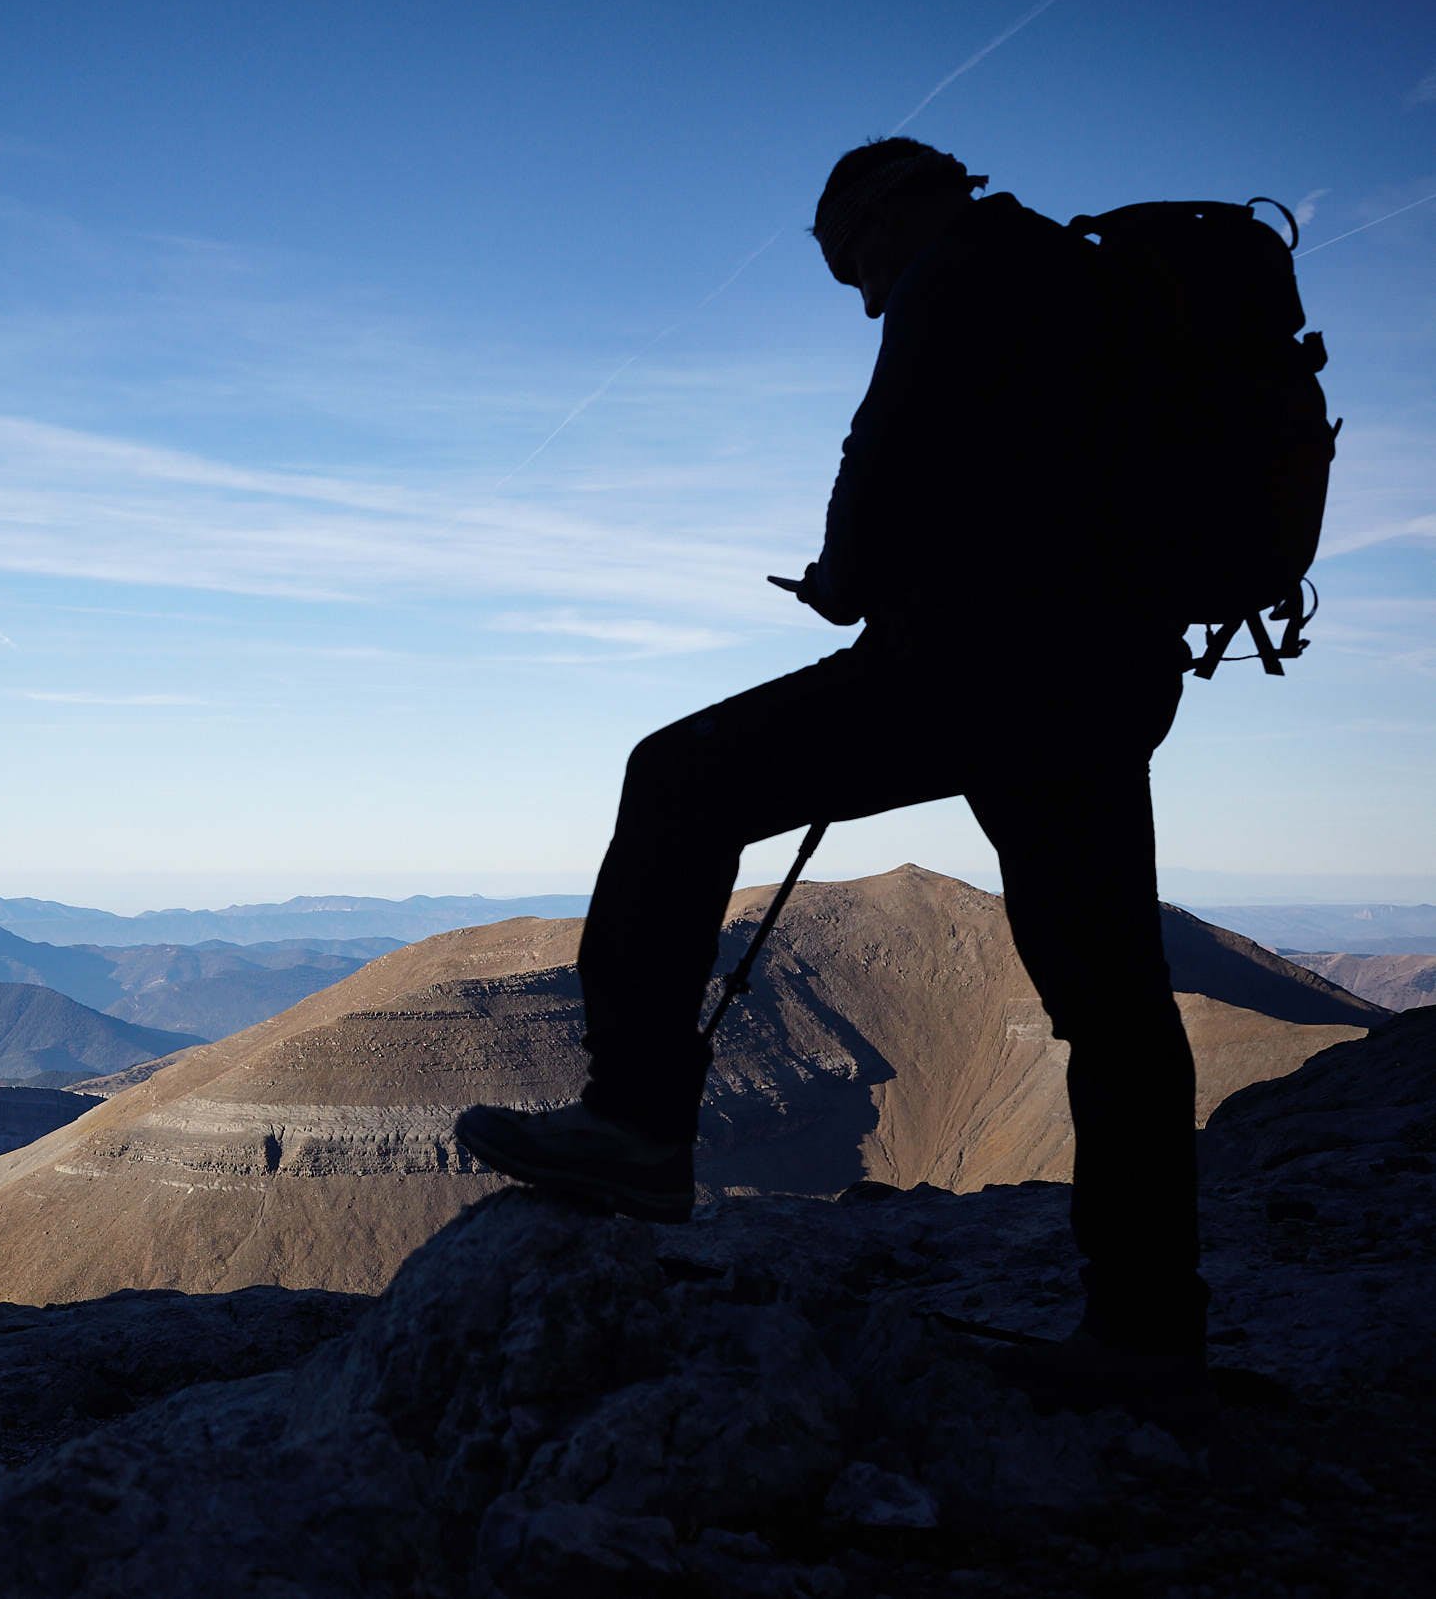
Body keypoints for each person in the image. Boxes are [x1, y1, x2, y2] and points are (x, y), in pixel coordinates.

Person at [455, 138, 1211, 1396]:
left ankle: (636, 1121)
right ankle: (1148, 1323)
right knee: (1112, 999)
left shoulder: (954, 271)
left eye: (847, 258)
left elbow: (887, 450)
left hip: (976, 662)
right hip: (1105, 672)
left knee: (677, 778)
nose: (858, 291)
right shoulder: (1083, 278)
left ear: (887, 207)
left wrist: (843, 583)